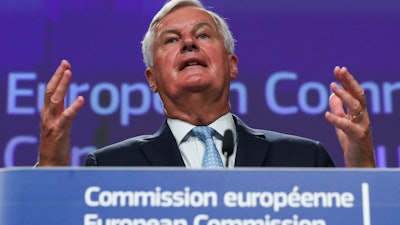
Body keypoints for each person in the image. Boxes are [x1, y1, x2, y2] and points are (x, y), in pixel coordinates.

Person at [38, 0, 376, 168]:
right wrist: (49, 167)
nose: (188, 42)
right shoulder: (111, 167)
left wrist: (364, 169)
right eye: (171, 40)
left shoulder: (303, 159)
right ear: (151, 78)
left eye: (202, 35)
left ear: (232, 65)